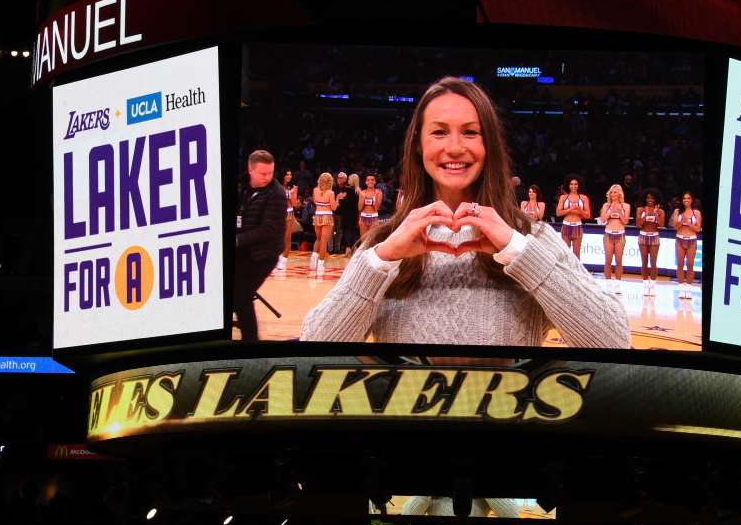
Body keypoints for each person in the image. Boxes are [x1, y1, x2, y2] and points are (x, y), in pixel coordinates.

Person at [300, 77, 630, 348]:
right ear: (418, 143)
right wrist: (381, 259)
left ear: (489, 146)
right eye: (439, 131)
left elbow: (614, 342)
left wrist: (518, 251)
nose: (455, 148)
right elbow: (312, 352)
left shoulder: (533, 239)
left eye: (471, 132)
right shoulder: (384, 244)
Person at [234, 150, 288, 341]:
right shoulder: (242, 187)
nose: (268, 177)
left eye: (271, 173)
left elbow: (268, 229)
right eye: (263, 173)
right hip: (243, 250)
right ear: (250, 170)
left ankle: (251, 339)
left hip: (263, 255)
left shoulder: (277, 194)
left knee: (240, 296)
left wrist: (238, 240)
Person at [672, 191, 703, 297]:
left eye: (688, 198)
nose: (686, 200)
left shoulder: (696, 212)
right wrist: (681, 222)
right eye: (684, 198)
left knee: (690, 265)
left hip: (692, 240)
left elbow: (698, 229)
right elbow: (675, 227)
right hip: (680, 239)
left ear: (692, 200)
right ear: (682, 200)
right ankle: (681, 289)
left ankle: (689, 289)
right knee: (680, 264)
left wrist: (688, 222)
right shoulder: (677, 211)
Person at [600, 185, 630, 292]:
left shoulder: (625, 206)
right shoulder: (606, 205)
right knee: (608, 260)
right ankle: (608, 285)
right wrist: (610, 211)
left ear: (620, 194)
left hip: (620, 234)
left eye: (615, 192)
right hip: (608, 234)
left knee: (619, 260)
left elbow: (625, 221)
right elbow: (603, 220)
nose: (613, 194)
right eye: (611, 192)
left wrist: (619, 211)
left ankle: (617, 285)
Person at [636, 190, 665, 293]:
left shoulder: (660, 211)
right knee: (644, 262)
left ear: (656, 199)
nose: (650, 200)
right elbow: (638, 224)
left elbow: (661, 225)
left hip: (654, 237)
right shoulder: (640, 209)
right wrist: (646, 215)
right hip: (643, 236)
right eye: (648, 198)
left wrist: (656, 214)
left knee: (653, 262)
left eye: (652, 198)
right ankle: (645, 285)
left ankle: (652, 286)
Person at [555, 175, 590, 258]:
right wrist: (570, 209)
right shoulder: (563, 197)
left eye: (575, 184)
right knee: (566, 254)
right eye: (571, 184)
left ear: (579, 185)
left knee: (576, 255)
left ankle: (576, 271)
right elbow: (558, 213)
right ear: (568, 185)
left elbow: (587, 215)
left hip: (577, 226)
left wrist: (579, 209)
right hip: (566, 226)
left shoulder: (584, 198)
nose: (573, 186)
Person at [310, 172, 338, 275]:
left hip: (317, 215)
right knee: (324, 241)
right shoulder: (331, 193)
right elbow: (334, 207)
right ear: (330, 182)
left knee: (318, 239)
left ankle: (313, 259)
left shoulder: (315, 190)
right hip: (327, 216)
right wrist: (338, 199)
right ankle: (320, 265)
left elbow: (315, 202)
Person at [279, 168, 298, 272]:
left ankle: (284, 261)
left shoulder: (293, 187)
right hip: (278, 214)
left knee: (287, 237)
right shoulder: (278, 186)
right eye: (287, 174)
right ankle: (278, 258)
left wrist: (292, 194)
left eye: (290, 174)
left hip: (289, 213)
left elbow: (295, 204)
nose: (289, 176)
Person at [359, 173, 384, 241]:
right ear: (366, 182)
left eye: (372, 180)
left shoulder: (379, 192)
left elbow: (376, 208)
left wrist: (374, 199)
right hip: (363, 218)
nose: (370, 181)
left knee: (372, 240)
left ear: (375, 182)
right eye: (368, 180)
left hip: (374, 218)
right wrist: (363, 197)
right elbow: (359, 208)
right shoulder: (362, 192)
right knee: (363, 241)